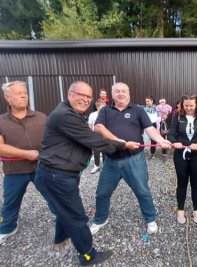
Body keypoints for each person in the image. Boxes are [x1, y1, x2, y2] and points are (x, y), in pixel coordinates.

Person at [34, 81, 134, 265]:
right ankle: (88, 255)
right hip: (59, 175)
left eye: (88, 96)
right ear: (70, 94)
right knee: (77, 216)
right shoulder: (65, 115)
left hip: (54, 173)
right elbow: (93, 141)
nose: (85, 99)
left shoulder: (72, 114)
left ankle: (60, 238)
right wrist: (122, 144)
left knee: (62, 209)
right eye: (81, 95)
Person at [90, 82, 171, 236]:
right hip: (111, 160)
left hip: (135, 160)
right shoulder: (105, 110)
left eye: (124, 91)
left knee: (142, 190)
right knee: (102, 192)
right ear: (112, 94)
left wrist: (160, 140)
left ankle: (150, 218)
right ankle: (100, 219)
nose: (121, 94)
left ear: (129, 93)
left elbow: (150, 128)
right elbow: (98, 127)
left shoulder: (138, 110)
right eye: (117, 91)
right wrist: (121, 143)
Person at [0, 81, 47, 244]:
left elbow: (53, 140)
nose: (23, 95)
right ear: (7, 97)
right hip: (14, 170)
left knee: (55, 196)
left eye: (25, 92)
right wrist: (26, 154)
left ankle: (66, 221)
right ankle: (7, 227)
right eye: (18, 92)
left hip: (42, 168)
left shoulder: (41, 117)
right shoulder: (1, 121)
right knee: (10, 201)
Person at [167, 94, 197, 224]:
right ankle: (180, 210)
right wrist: (175, 142)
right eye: (186, 105)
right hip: (180, 154)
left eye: (191, 105)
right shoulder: (177, 116)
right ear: (182, 104)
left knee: (196, 183)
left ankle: (196, 209)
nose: (189, 108)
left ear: (196, 104)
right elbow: (171, 134)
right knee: (181, 183)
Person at [88, 100, 107, 174]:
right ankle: (96, 165)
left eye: (105, 107)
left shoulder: (106, 114)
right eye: (102, 107)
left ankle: (105, 165)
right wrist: (92, 135)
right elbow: (90, 125)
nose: (104, 109)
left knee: (105, 150)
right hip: (95, 135)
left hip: (104, 134)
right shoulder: (92, 115)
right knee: (96, 151)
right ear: (97, 107)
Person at [143, 96, 158, 160]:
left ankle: (152, 153)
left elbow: (163, 114)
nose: (147, 102)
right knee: (144, 139)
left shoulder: (157, 108)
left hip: (154, 124)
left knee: (153, 140)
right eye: (146, 101)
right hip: (146, 124)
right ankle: (140, 153)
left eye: (148, 101)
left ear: (152, 101)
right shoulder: (144, 108)